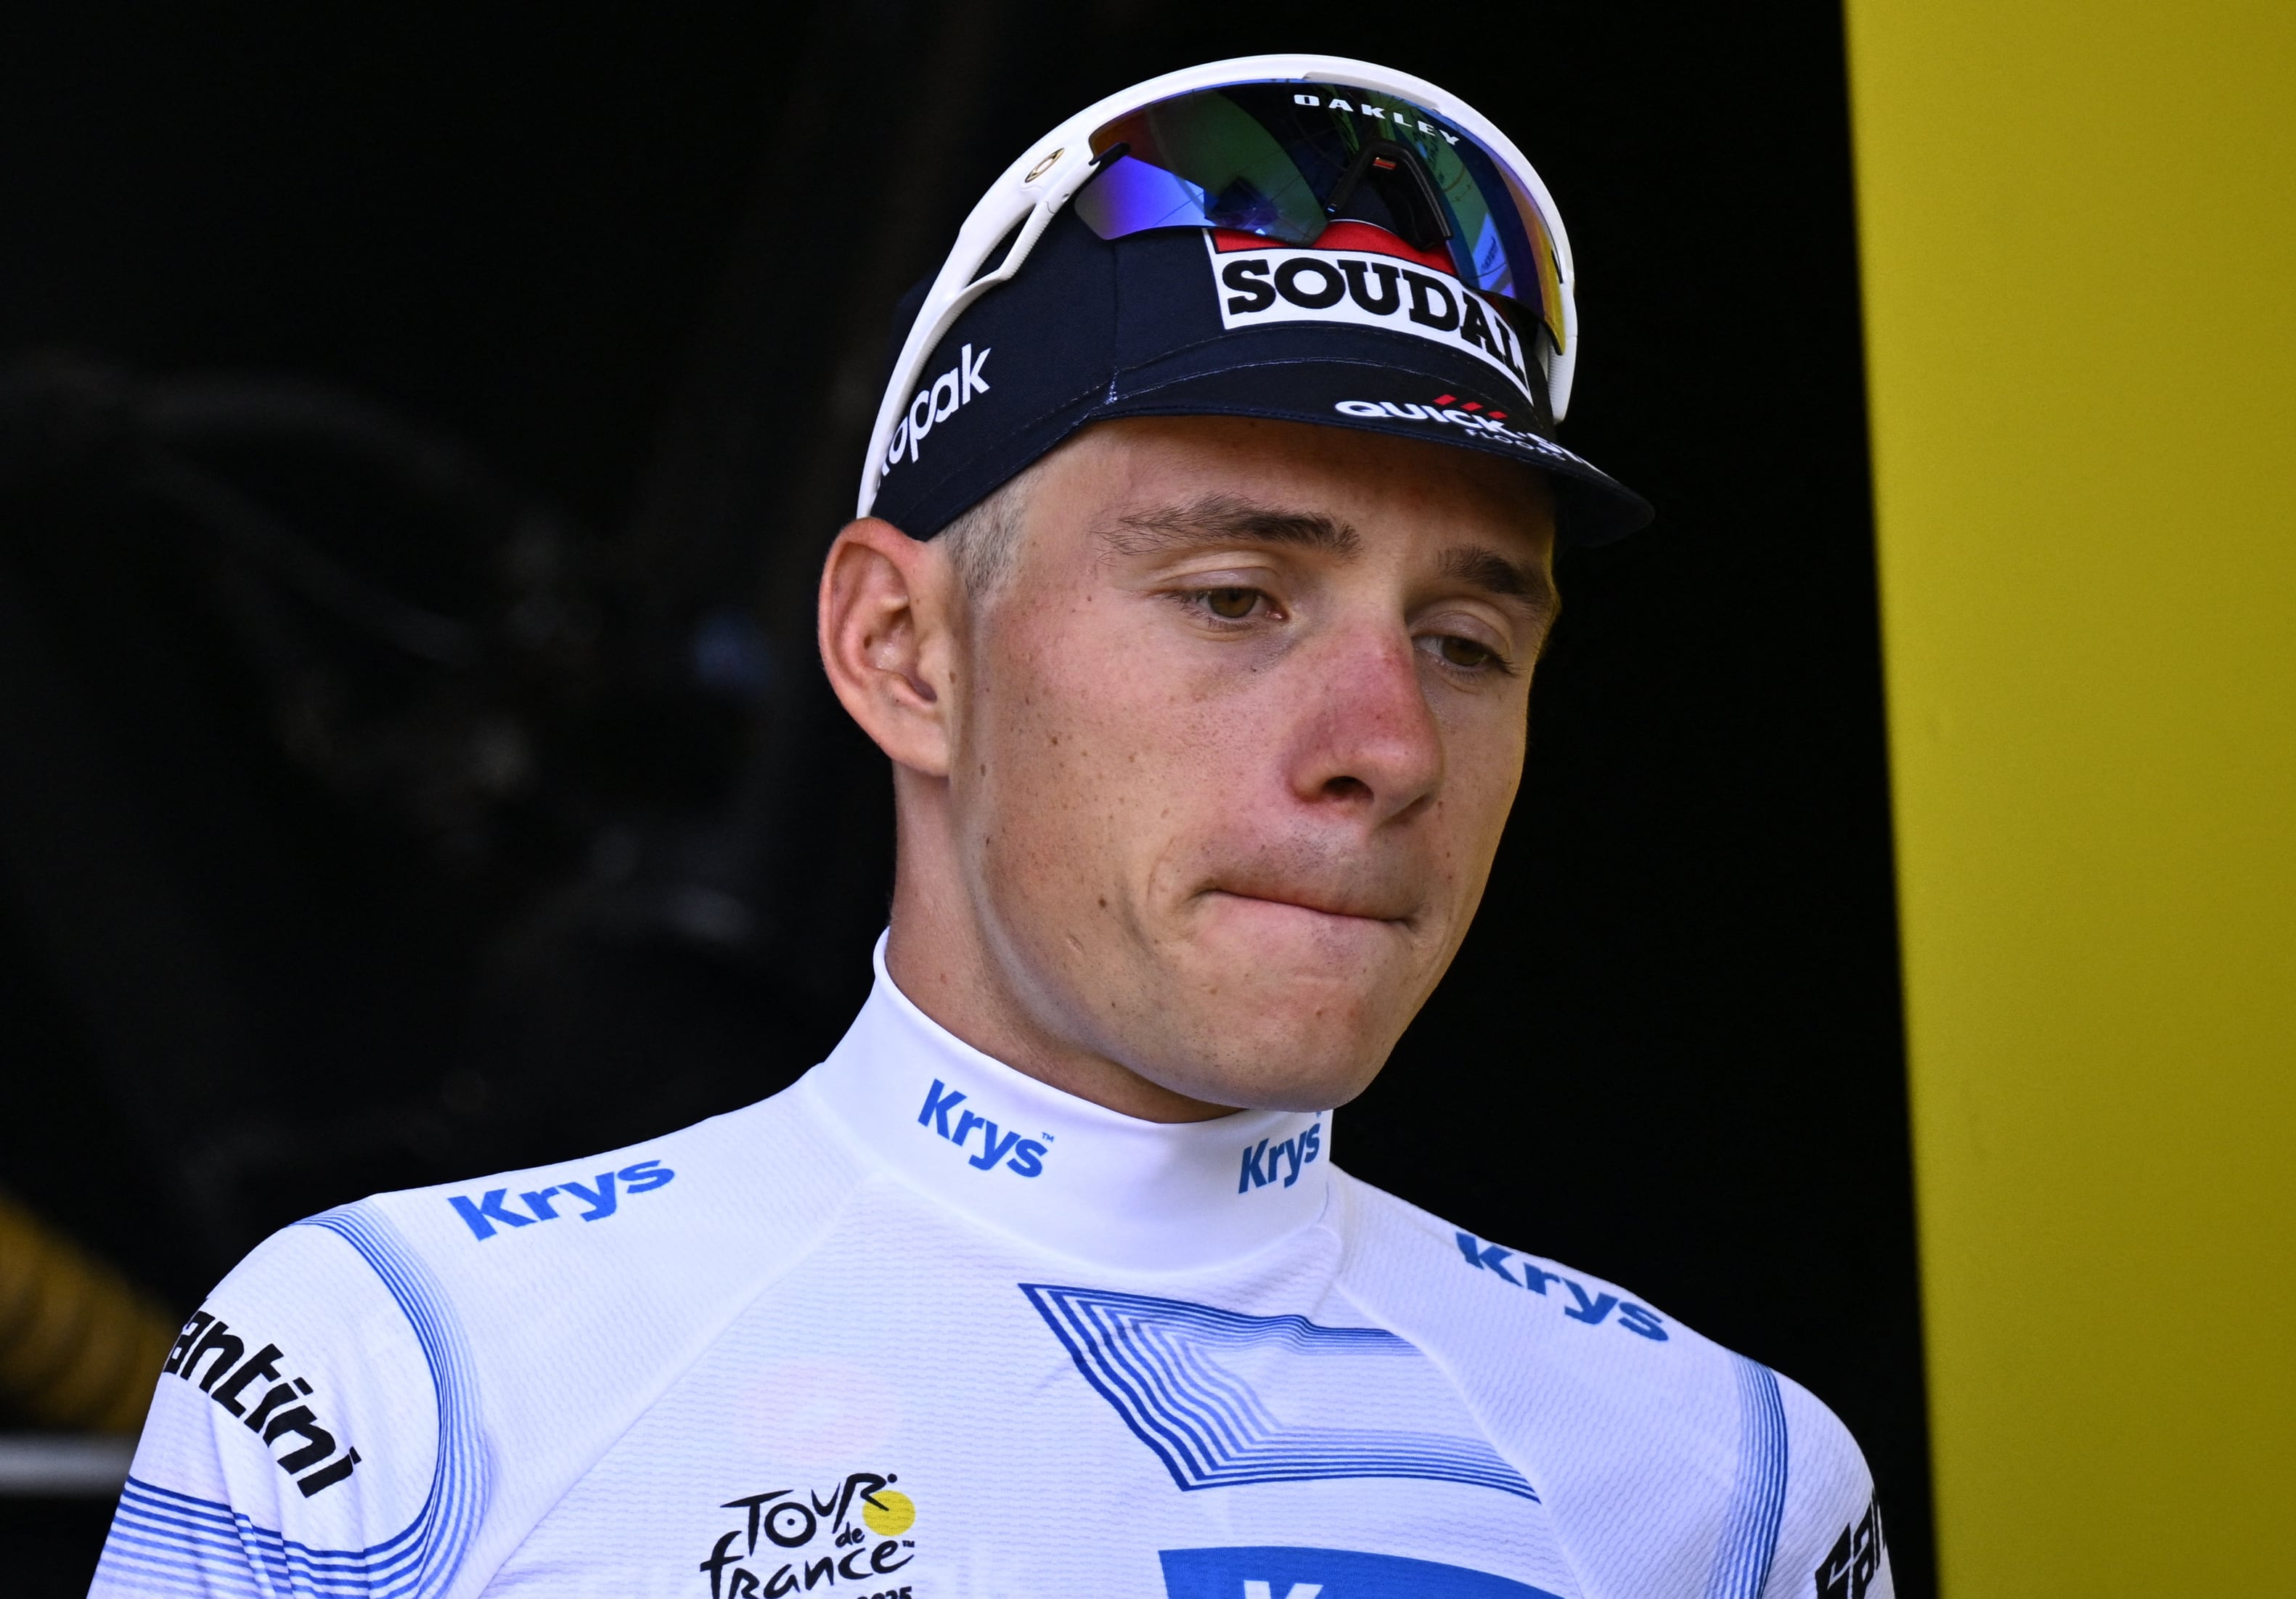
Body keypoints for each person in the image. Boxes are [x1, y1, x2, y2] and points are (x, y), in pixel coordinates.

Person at [94, 56, 1892, 1599]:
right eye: (1232, 595)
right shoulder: (403, 1379)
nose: (1387, 746)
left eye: (1465, 639)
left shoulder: (1722, 1481)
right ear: (901, 652)